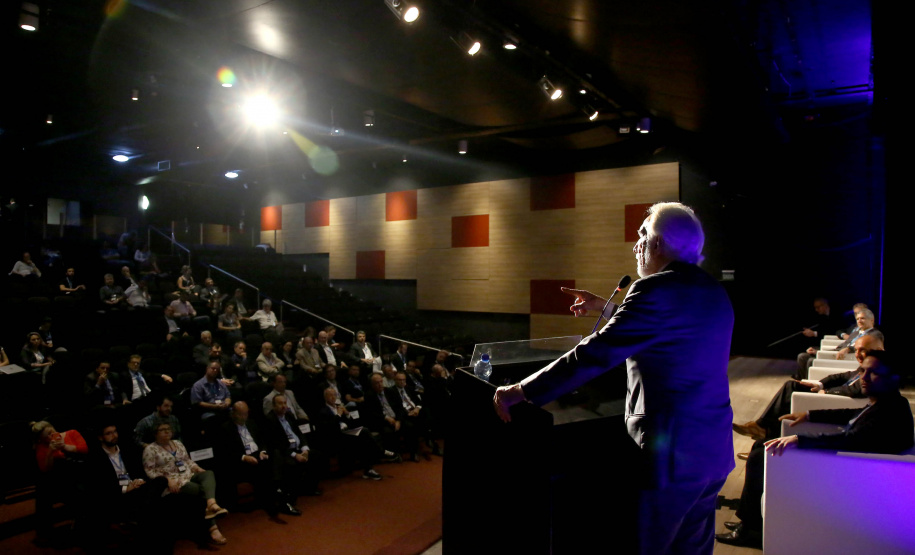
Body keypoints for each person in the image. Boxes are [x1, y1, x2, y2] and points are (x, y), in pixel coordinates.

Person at [493, 202, 734, 555]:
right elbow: (667, 333)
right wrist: (606, 309)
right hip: (712, 451)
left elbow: (594, 353)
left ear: (658, 243)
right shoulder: (713, 291)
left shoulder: (653, 289)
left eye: (642, 234)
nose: (636, 245)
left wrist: (522, 390)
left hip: (669, 459)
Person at [716, 350, 914, 547]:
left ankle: (751, 530)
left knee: (762, 454)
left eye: (874, 373)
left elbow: (848, 439)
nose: (864, 377)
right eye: (862, 371)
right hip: (848, 463)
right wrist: (809, 415)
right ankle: (751, 523)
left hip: (850, 476)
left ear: (894, 378)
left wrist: (799, 439)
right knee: (761, 445)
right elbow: (852, 414)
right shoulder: (889, 402)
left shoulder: (889, 411)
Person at [733, 334, 884, 441]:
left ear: (878, 349)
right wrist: (819, 384)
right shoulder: (865, 366)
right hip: (832, 394)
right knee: (792, 386)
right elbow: (842, 376)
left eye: (862, 350)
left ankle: (764, 433)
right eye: (856, 350)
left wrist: (826, 391)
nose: (857, 354)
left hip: (836, 399)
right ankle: (763, 430)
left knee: (791, 388)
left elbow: (855, 390)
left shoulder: (877, 372)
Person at [142, 422, 229, 545]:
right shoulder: (150, 449)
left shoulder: (178, 443)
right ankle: (213, 527)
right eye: (163, 430)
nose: (167, 431)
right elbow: (149, 471)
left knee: (208, 473)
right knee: (200, 489)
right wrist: (167, 480)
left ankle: (211, 503)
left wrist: (197, 468)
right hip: (174, 482)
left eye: (168, 429)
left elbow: (187, 461)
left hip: (188, 475)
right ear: (155, 434)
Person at [32, 420, 89, 544]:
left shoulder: (72, 433)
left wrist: (65, 447)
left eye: (51, 432)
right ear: (41, 439)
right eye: (46, 436)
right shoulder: (42, 446)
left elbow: (85, 449)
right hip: (61, 479)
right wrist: (50, 452)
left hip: (82, 471)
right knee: (43, 487)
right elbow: (45, 469)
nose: (50, 437)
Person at [795, 308, 883, 379]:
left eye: (862, 318)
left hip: (846, 358)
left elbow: (865, 348)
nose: (859, 321)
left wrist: (848, 349)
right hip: (837, 353)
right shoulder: (856, 332)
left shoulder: (875, 334)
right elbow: (841, 346)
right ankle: (801, 380)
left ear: (872, 320)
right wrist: (818, 351)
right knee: (802, 356)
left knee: (811, 361)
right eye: (857, 319)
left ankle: (806, 385)